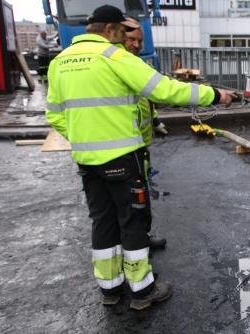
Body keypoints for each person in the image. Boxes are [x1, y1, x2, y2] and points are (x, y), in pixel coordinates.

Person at [45, 5, 236, 310]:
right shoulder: (113, 57)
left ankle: (110, 289)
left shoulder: (59, 62)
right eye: (122, 31)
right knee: (133, 221)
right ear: (109, 29)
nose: (127, 37)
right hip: (122, 157)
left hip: (86, 159)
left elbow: (54, 116)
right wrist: (213, 94)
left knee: (103, 221)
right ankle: (142, 291)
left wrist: (86, 138)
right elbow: (165, 90)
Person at [123, 17, 168, 251]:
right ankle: (136, 250)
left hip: (139, 146)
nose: (137, 45)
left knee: (141, 199)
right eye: (132, 39)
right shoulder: (115, 65)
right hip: (123, 150)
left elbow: (149, 99)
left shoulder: (138, 65)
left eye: (140, 40)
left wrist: (156, 120)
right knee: (130, 205)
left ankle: (144, 237)